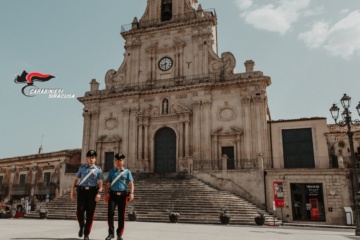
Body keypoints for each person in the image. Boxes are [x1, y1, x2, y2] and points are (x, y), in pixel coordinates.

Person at [70, 150, 104, 240]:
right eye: (89, 157)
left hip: (92, 192)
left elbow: (100, 183)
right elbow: (75, 180)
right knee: (79, 211)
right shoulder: (82, 168)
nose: (91, 159)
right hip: (81, 191)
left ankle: (86, 234)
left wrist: (99, 193)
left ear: (95, 159)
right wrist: (72, 191)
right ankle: (82, 226)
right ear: (87, 159)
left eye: (92, 157)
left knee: (90, 214)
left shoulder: (98, 170)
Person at [104, 153, 134, 240]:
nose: (119, 162)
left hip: (122, 196)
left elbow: (131, 183)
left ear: (123, 161)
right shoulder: (111, 172)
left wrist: (131, 193)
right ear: (115, 161)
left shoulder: (127, 172)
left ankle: (119, 234)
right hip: (113, 195)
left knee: (121, 215)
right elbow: (107, 184)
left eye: (120, 160)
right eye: (117, 160)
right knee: (110, 213)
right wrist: (106, 194)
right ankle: (111, 233)